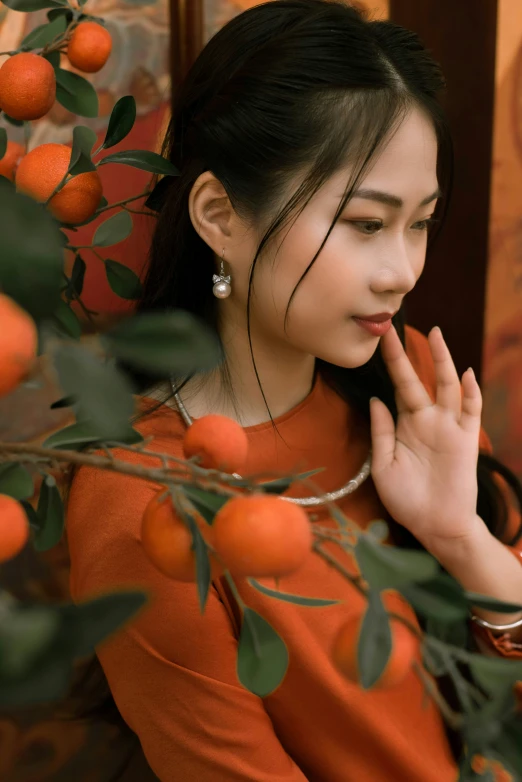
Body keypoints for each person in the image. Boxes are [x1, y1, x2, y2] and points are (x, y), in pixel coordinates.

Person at [65, 2, 522, 780]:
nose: (404, 271)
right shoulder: (145, 506)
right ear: (220, 215)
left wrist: (462, 542)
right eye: (367, 224)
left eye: (420, 223)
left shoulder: (403, 386)